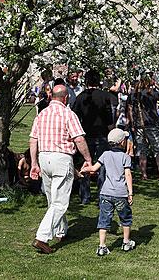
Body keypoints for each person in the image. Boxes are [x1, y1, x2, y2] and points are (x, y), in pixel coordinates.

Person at [29, 84, 93, 254]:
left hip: (44, 156)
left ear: (51, 97)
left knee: (52, 198)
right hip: (61, 158)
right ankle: (42, 237)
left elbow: (33, 140)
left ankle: (61, 231)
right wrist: (88, 159)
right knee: (60, 202)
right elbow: (79, 139)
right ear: (66, 98)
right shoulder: (68, 114)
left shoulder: (41, 114)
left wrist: (34, 163)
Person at [82, 128, 136, 256]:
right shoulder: (125, 157)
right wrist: (130, 193)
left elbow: (94, 169)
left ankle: (102, 246)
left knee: (104, 219)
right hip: (120, 194)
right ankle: (126, 242)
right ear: (122, 142)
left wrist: (84, 169)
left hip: (105, 193)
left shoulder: (105, 154)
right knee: (125, 219)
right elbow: (128, 175)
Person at [72, 69, 114, 204]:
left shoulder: (81, 97)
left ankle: (85, 195)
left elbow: (75, 117)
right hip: (102, 134)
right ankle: (102, 193)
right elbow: (109, 118)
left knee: (85, 163)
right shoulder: (105, 96)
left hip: (86, 134)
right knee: (102, 165)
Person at [128, 77, 159, 181]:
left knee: (142, 150)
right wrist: (156, 86)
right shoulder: (151, 93)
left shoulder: (133, 95)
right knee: (158, 149)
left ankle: (144, 174)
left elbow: (130, 110)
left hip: (138, 125)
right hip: (151, 124)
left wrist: (132, 124)